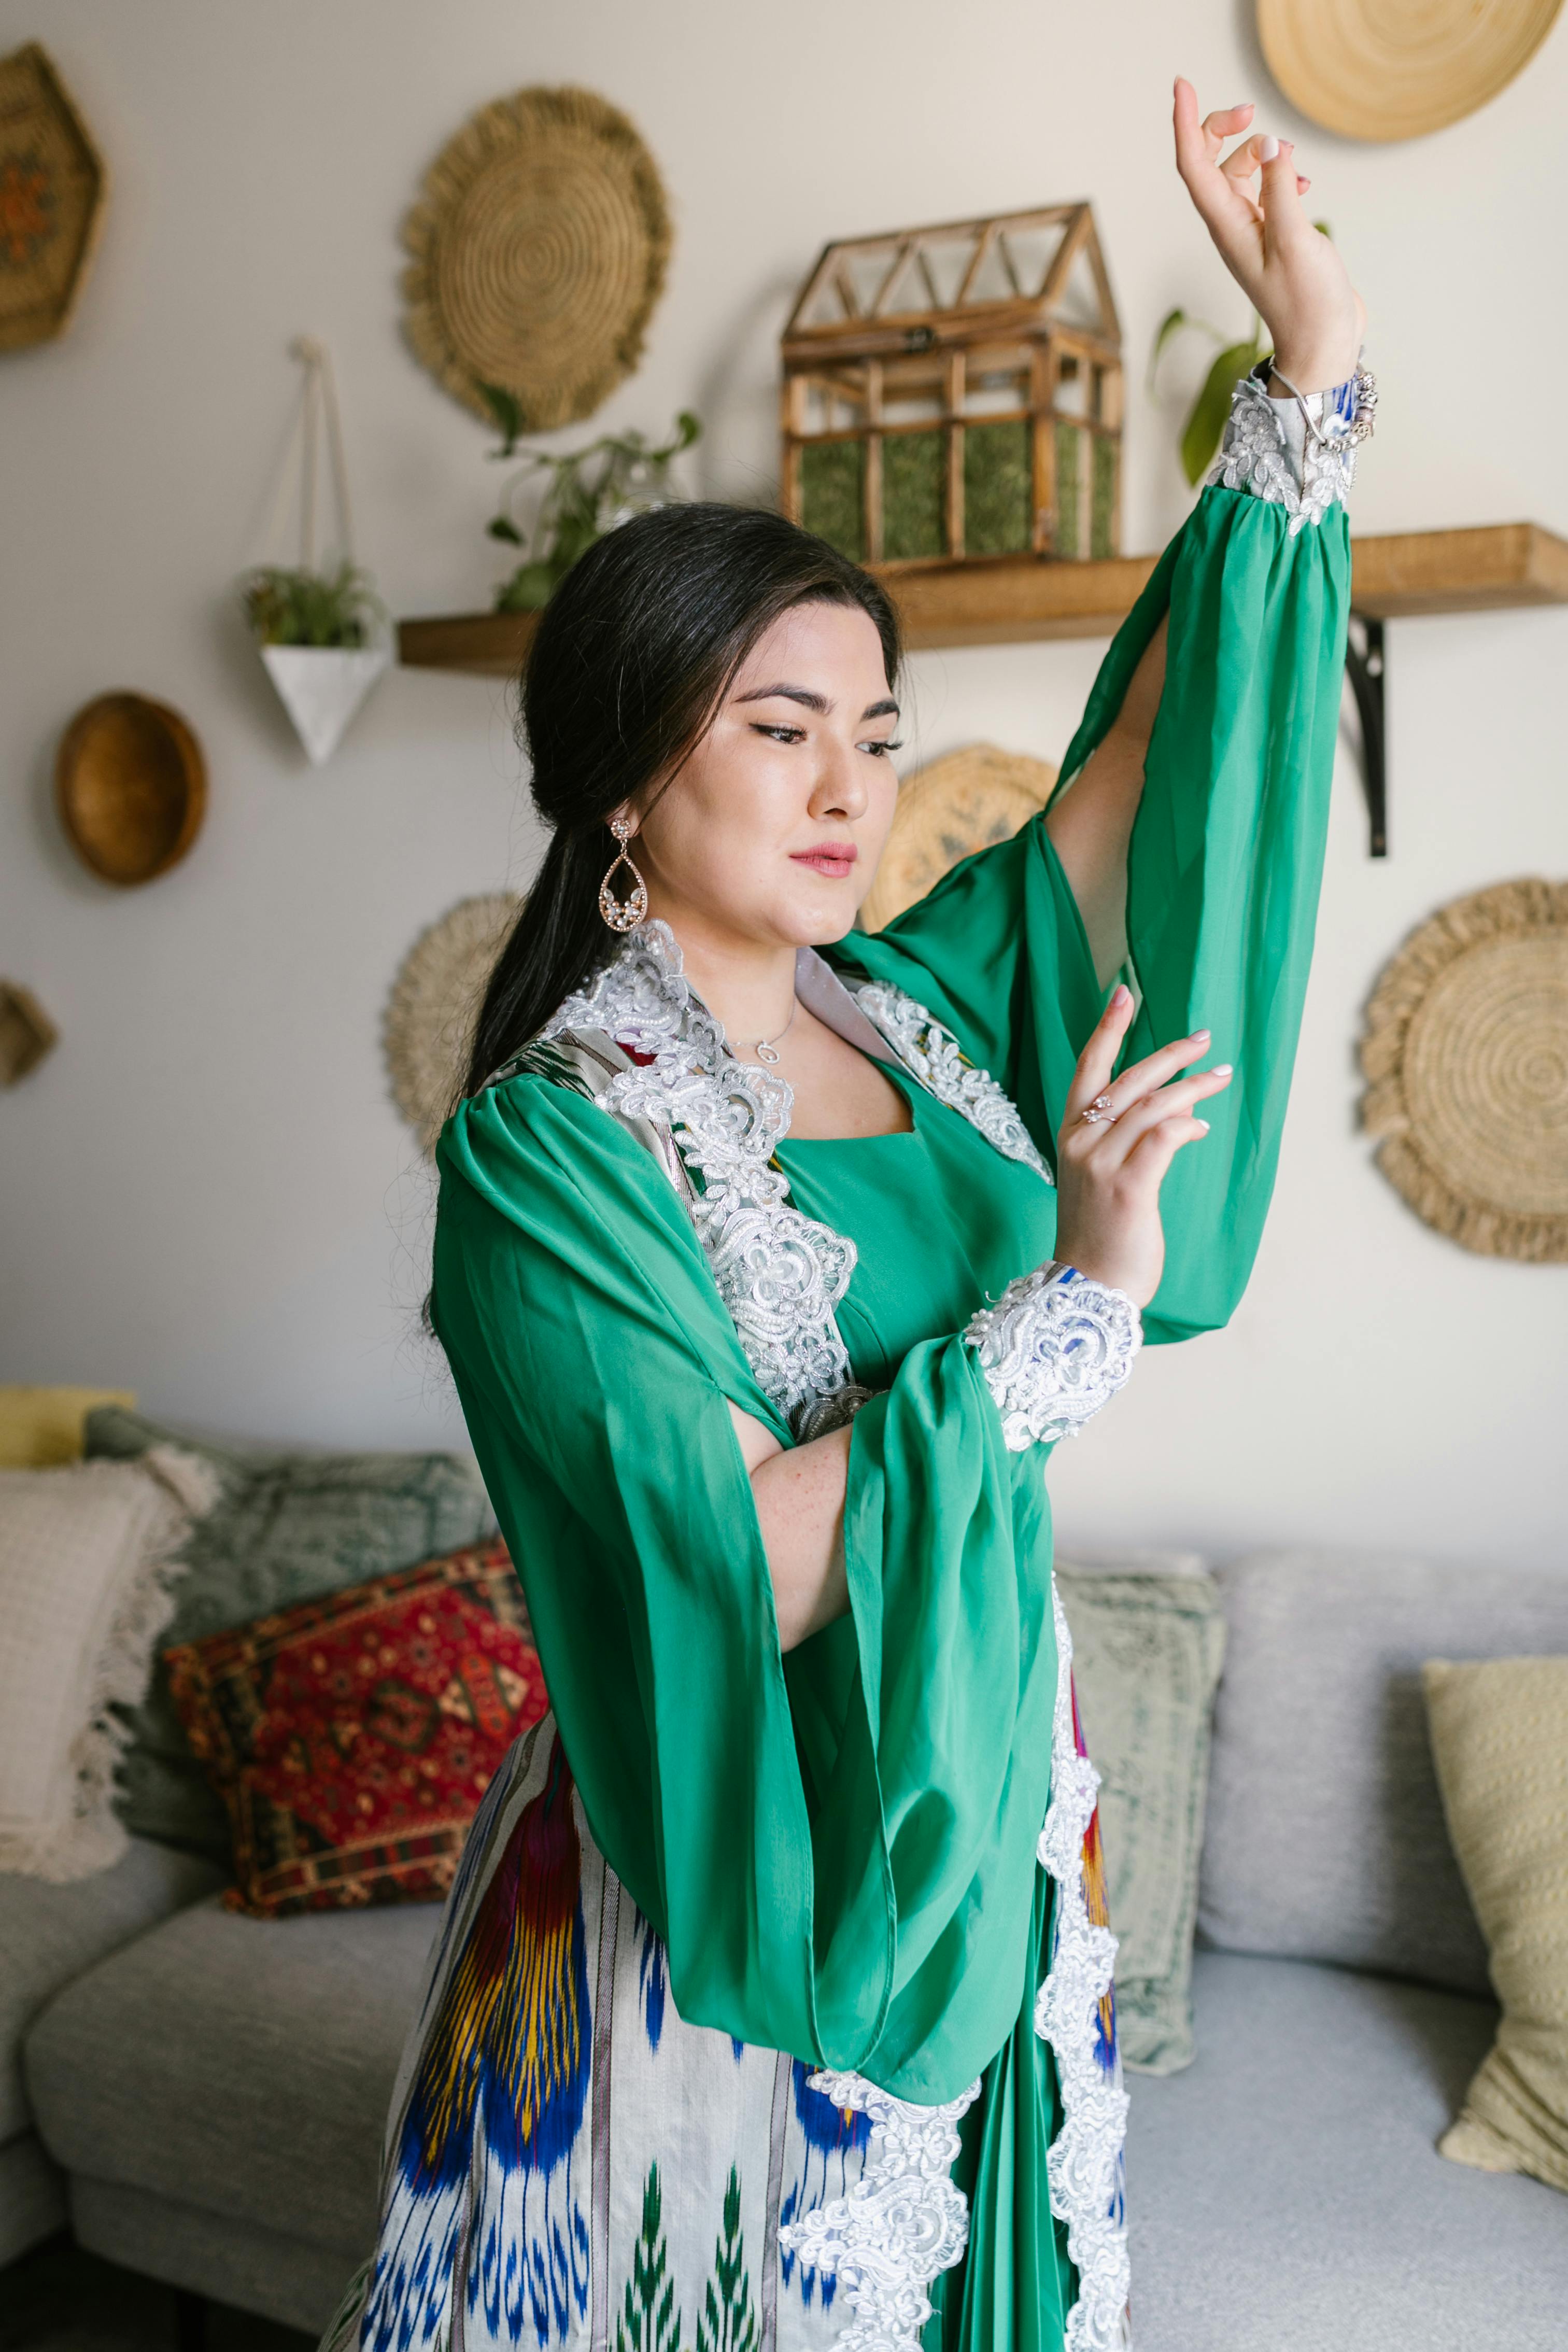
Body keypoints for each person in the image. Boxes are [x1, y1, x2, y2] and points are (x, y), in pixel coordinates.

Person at [327, 80, 1371, 2352]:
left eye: (875, 732)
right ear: (627, 767)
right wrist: (1068, 1302)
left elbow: (1145, 773)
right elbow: (740, 1559)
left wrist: (1300, 388)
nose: (845, 786)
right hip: (745, 1893)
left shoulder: (925, 1009)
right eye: (776, 725)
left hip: (983, 1810)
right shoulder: (552, 1152)